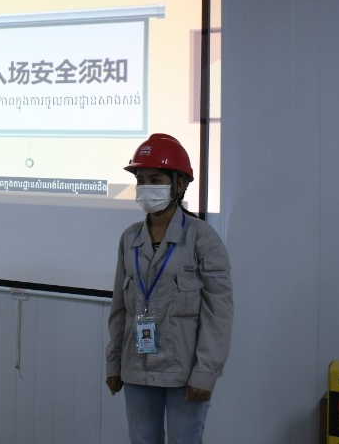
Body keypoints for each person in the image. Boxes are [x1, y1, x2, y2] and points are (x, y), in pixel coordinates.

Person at [106, 133, 233, 444]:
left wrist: (205, 373)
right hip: (136, 367)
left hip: (185, 373)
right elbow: (120, 308)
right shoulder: (129, 239)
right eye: (141, 180)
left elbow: (219, 314)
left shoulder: (203, 238)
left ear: (179, 184)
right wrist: (113, 362)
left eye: (156, 180)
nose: (146, 187)